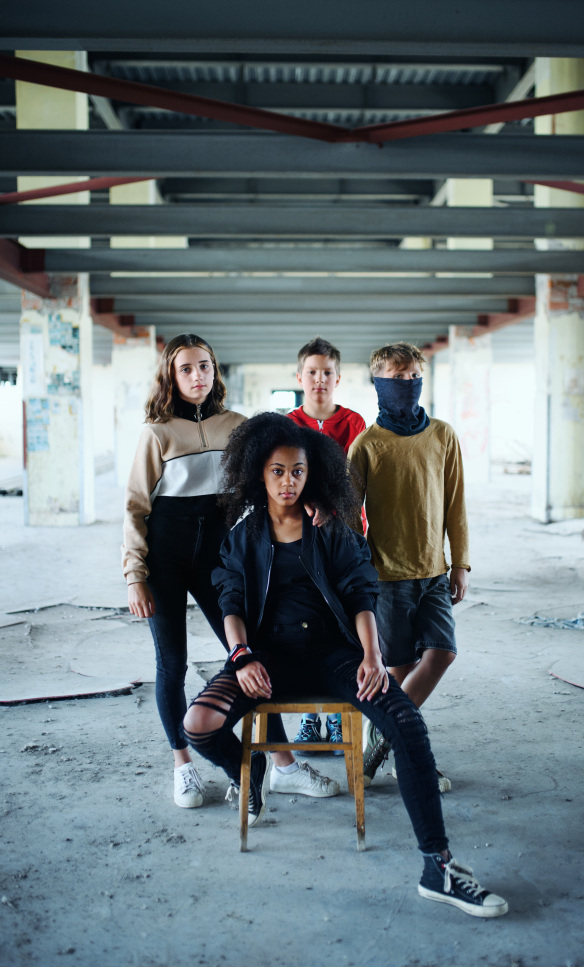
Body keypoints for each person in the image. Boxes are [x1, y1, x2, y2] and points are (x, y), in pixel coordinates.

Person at [182, 414, 507, 917]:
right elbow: (231, 602)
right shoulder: (244, 537)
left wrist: (373, 657)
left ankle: (437, 865)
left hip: (335, 657)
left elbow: (361, 592)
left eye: (297, 471)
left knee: (407, 725)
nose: (288, 482)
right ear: (257, 475)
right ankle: (249, 772)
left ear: (311, 474)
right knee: (198, 724)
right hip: (267, 660)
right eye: (277, 471)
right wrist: (241, 657)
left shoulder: (330, 527)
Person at [123, 334, 336, 810]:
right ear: (170, 376)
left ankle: (283, 766)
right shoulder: (156, 433)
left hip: (216, 557)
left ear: (215, 371)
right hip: (164, 559)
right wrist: (135, 574)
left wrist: (318, 497)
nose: (198, 376)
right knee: (171, 664)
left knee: (253, 655)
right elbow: (135, 506)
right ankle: (184, 766)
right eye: (186, 369)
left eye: (205, 366)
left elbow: (286, 459)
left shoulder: (238, 426)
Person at [347, 343, 469, 791]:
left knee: (442, 652)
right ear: (379, 382)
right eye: (397, 378)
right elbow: (347, 517)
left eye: (414, 376)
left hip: (434, 571)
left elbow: (456, 505)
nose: (407, 384)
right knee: (396, 673)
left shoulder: (442, 435)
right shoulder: (366, 445)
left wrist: (462, 563)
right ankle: (409, 754)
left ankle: (381, 741)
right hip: (387, 578)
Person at [287, 336, 366, 753]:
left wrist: (333, 508)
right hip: (299, 538)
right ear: (299, 377)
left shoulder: (354, 423)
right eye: (312, 372)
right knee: (305, 624)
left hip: (344, 536)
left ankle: (337, 714)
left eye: (327, 373)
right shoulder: (288, 423)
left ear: (339, 378)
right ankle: (309, 717)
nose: (319, 379)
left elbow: (357, 481)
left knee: (345, 625)